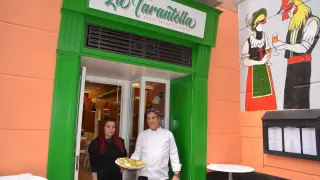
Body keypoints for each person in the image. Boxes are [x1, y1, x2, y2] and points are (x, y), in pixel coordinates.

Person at [273, 0, 320, 109]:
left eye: (289, 11)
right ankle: (289, 124)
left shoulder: (312, 21)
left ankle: (302, 124)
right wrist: (280, 46)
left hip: (302, 65)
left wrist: (283, 45)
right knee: (288, 100)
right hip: (291, 66)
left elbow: (304, 47)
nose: (289, 15)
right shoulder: (295, 24)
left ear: (295, 6)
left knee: (300, 100)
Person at [241, 8, 277, 111]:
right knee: (255, 102)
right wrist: (260, 62)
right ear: (255, 25)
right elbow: (245, 62)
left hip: (265, 72)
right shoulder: (248, 41)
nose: (263, 24)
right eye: (260, 22)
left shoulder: (265, 38)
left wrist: (268, 58)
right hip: (254, 74)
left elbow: (268, 50)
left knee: (268, 100)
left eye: (263, 21)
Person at [131, 108, 181, 180]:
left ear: (159, 119)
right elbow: (137, 153)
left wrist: (176, 174)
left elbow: (173, 154)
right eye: (148, 119)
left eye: (153, 118)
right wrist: (131, 163)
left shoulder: (168, 134)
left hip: (161, 177)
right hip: (144, 176)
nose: (150, 121)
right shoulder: (142, 135)